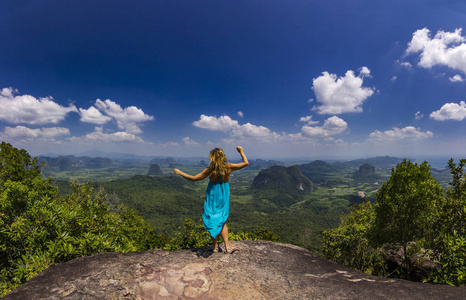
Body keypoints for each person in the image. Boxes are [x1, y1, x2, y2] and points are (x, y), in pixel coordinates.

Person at [174, 146, 249, 253]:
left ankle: (215, 247)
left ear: (212, 158)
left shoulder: (210, 170)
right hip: (223, 196)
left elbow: (194, 179)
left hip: (213, 196)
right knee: (222, 220)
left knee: (212, 219)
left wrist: (180, 173)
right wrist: (241, 151)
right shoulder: (229, 167)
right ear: (223, 156)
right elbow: (246, 163)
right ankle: (227, 247)